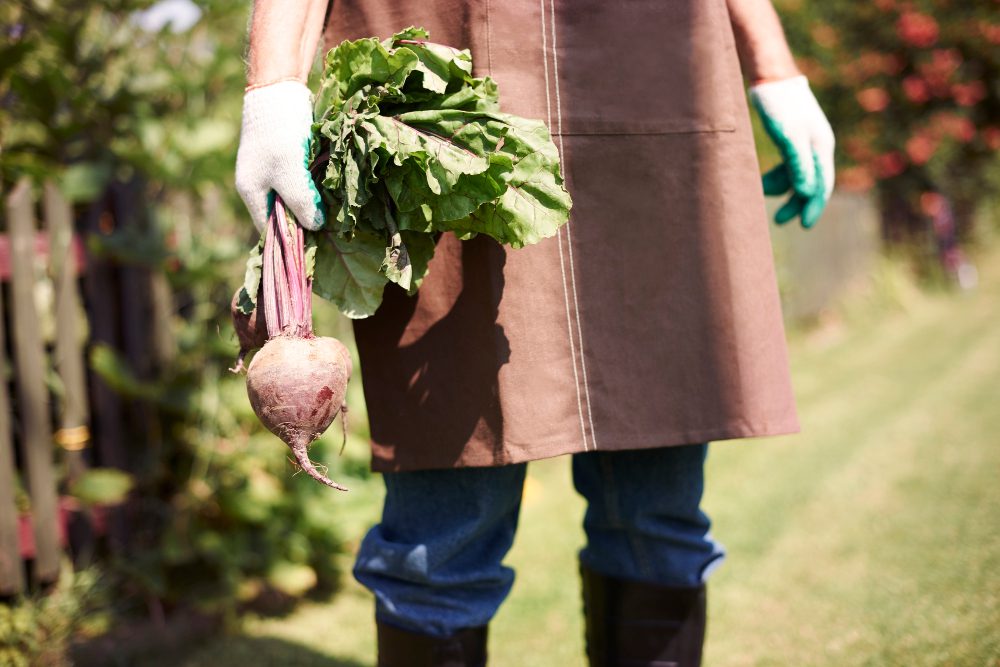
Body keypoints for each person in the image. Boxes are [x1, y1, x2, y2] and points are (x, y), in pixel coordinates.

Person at [235, 1, 835, 665]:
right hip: (444, 55)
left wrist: (775, 67)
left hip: (649, 64)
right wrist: (273, 86)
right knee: (442, 535)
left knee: (658, 511)